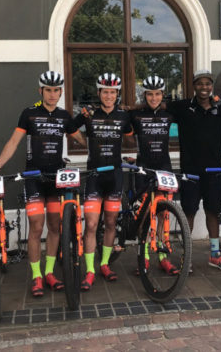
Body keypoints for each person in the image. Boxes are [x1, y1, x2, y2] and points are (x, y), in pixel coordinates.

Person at [0, 71, 85, 297]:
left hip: (55, 179)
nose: (52, 94)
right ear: (40, 91)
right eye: (48, 90)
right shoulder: (29, 113)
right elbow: (14, 142)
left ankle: (49, 272)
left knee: (54, 226)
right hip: (33, 178)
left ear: (61, 92)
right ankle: (36, 276)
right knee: (36, 226)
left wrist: (92, 125)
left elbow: (81, 140)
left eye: (56, 90)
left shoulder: (64, 116)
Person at [165, 69, 221, 272]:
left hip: (214, 169)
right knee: (188, 212)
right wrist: (129, 108)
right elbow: (156, 107)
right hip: (190, 170)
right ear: (194, 86)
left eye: (207, 83)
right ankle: (186, 256)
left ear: (211, 86)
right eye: (200, 83)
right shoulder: (182, 107)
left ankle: (215, 254)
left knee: (213, 211)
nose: (204, 87)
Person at [72, 73, 134, 290]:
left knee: (110, 223)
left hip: (115, 175)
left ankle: (104, 264)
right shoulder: (89, 113)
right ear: (99, 93)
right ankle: (89, 270)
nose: (109, 96)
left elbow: (130, 138)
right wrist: (85, 142)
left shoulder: (123, 116)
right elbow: (70, 128)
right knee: (90, 224)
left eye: (113, 92)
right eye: (105, 92)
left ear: (117, 94)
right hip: (94, 176)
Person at [128, 75, 179, 275]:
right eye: (150, 94)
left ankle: (163, 256)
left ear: (163, 95)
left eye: (157, 94)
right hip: (144, 167)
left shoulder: (169, 114)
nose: (154, 98)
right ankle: (144, 257)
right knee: (144, 214)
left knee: (163, 213)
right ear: (145, 95)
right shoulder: (136, 115)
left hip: (164, 166)